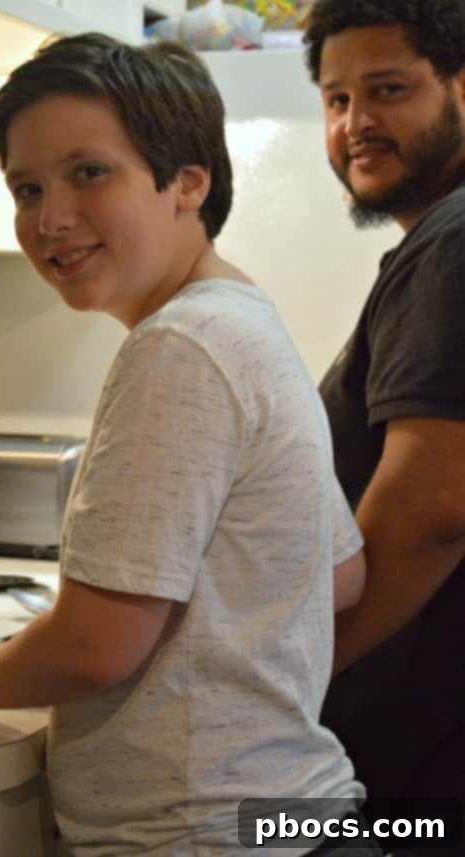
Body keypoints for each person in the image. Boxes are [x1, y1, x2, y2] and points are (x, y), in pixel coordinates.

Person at [0, 33, 369, 855]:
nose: (49, 218)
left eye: (88, 172)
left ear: (188, 182)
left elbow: (96, 645)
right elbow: (340, 575)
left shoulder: (182, 345)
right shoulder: (244, 320)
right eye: (26, 187)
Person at [303, 0, 465, 850]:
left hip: (424, 792)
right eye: (336, 100)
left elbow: (431, 512)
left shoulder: (454, 241)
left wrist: (279, 676)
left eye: (388, 89)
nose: (355, 124)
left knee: (232, 834)